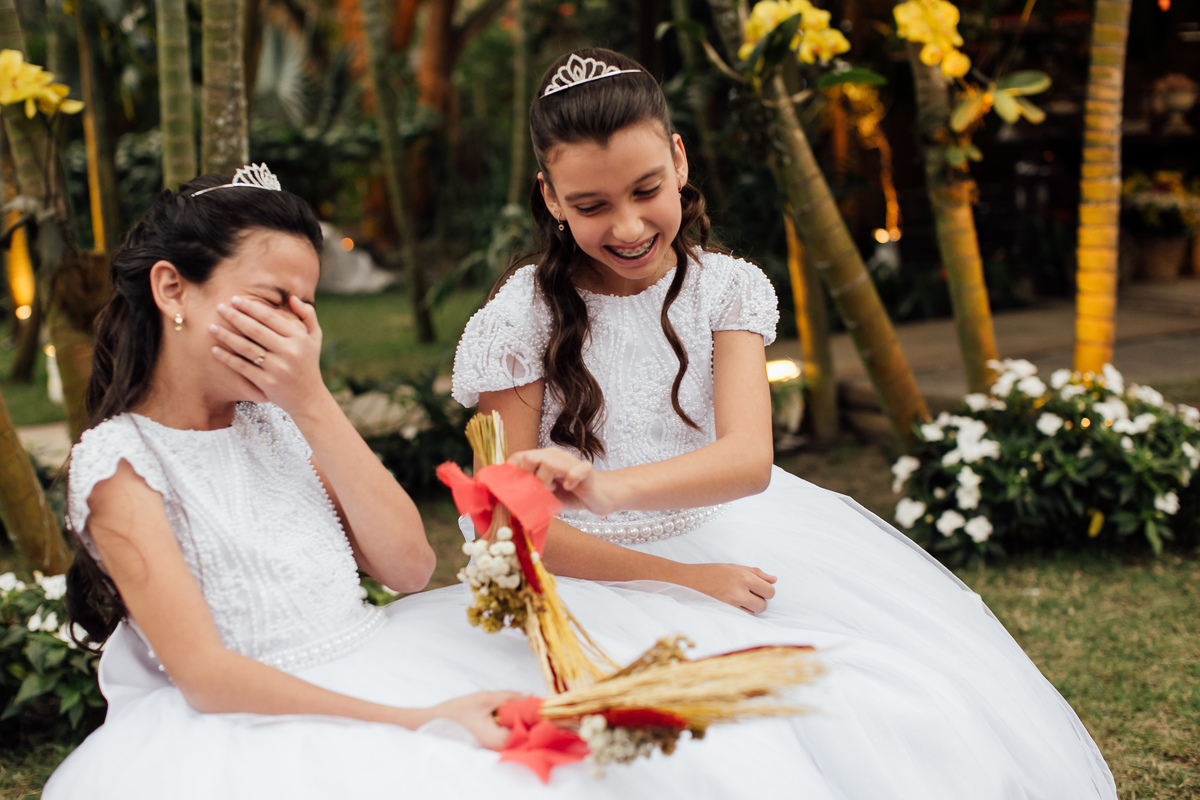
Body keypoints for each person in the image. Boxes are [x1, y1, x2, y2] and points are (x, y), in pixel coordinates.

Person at [451, 47, 1118, 799]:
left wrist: (606, 489)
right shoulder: (519, 318)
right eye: (592, 206)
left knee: (882, 705)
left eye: (646, 190)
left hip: (737, 531)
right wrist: (681, 579)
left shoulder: (725, 291)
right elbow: (504, 524)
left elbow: (746, 460)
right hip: (583, 577)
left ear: (678, 158)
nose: (630, 225)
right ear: (550, 197)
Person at [43, 170, 823, 798]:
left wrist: (312, 404)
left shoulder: (279, 419)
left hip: (388, 651)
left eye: (304, 307)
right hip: (262, 723)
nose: (291, 328)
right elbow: (208, 677)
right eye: (269, 301)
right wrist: (416, 719)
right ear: (174, 290)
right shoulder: (121, 464)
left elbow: (408, 567)